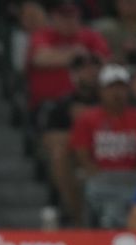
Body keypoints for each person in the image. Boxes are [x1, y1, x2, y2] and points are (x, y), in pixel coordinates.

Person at [70, 64, 136, 227]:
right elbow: (81, 154)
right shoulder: (87, 118)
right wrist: (97, 174)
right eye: (111, 88)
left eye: (121, 88)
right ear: (101, 91)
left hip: (133, 179)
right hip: (100, 178)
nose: (117, 93)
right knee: (94, 192)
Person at [38, 52, 102, 224]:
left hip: (113, 156)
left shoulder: (112, 100)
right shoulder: (63, 104)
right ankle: (77, 220)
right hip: (82, 157)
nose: (90, 72)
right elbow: (49, 139)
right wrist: (84, 132)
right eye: (84, 69)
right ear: (74, 74)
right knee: (59, 155)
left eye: (94, 68)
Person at [26, 0, 110, 114]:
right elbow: (39, 58)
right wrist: (75, 54)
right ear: (53, 17)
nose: (69, 21)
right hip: (48, 104)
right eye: (63, 17)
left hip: (89, 101)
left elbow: (104, 61)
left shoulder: (90, 35)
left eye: (72, 16)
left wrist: (57, 56)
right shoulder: (42, 34)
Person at [93, 0, 136, 65]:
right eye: (125, 1)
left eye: (133, 1)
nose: (130, 3)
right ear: (116, 4)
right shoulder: (106, 29)